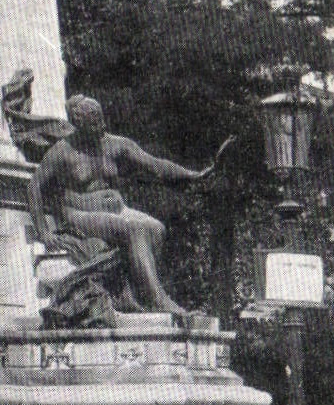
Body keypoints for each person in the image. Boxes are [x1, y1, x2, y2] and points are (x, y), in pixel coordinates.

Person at [29, 95, 231, 315]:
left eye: (101, 119)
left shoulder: (115, 144)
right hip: (79, 213)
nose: (102, 126)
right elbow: (34, 187)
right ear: (79, 124)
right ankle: (158, 300)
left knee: (156, 228)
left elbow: (155, 165)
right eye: (95, 122)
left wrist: (193, 175)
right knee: (133, 229)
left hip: (117, 209)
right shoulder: (63, 151)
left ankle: (139, 295)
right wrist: (43, 231)